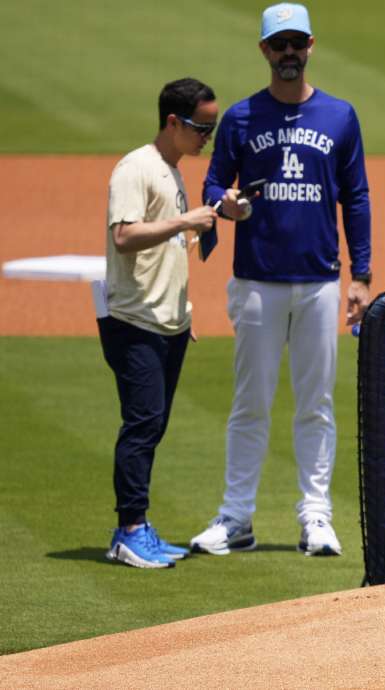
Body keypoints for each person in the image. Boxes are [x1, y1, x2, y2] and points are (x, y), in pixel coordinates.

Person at [192, 2, 372, 557]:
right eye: (279, 44)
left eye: (297, 42)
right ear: (265, 50)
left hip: (319, 280)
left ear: (310, 45)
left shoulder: (340, 116)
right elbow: (213, 186)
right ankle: (236, 518)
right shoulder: (242, 117)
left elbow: (357, 197)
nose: (289, 52)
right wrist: (226, 206)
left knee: (315, 403)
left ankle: (315, 517)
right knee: (251, 402)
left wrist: (362, 274)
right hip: (257, 281)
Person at [100, 78, 221, 569]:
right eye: (200, 127)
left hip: (167, 321)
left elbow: (168, 255)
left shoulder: (171, 170)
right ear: (172, 121)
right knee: (142, 424)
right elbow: (125, 236)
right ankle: (129, 531)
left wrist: (182, 310)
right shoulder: (136, 168)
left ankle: (138, 526)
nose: (206, 138)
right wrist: (187, 221)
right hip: (135, 322)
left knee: (153, 425)